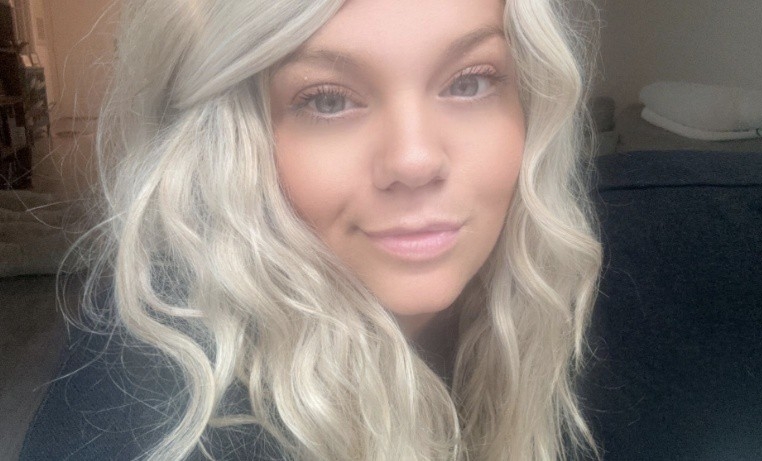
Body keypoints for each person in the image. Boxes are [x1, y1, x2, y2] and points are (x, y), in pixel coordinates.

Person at [21, 0, 602, 459]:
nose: (416, 160)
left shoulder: (581, 307)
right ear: (219, 146)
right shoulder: (150, 412)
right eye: (326, 100)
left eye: (470, 82)